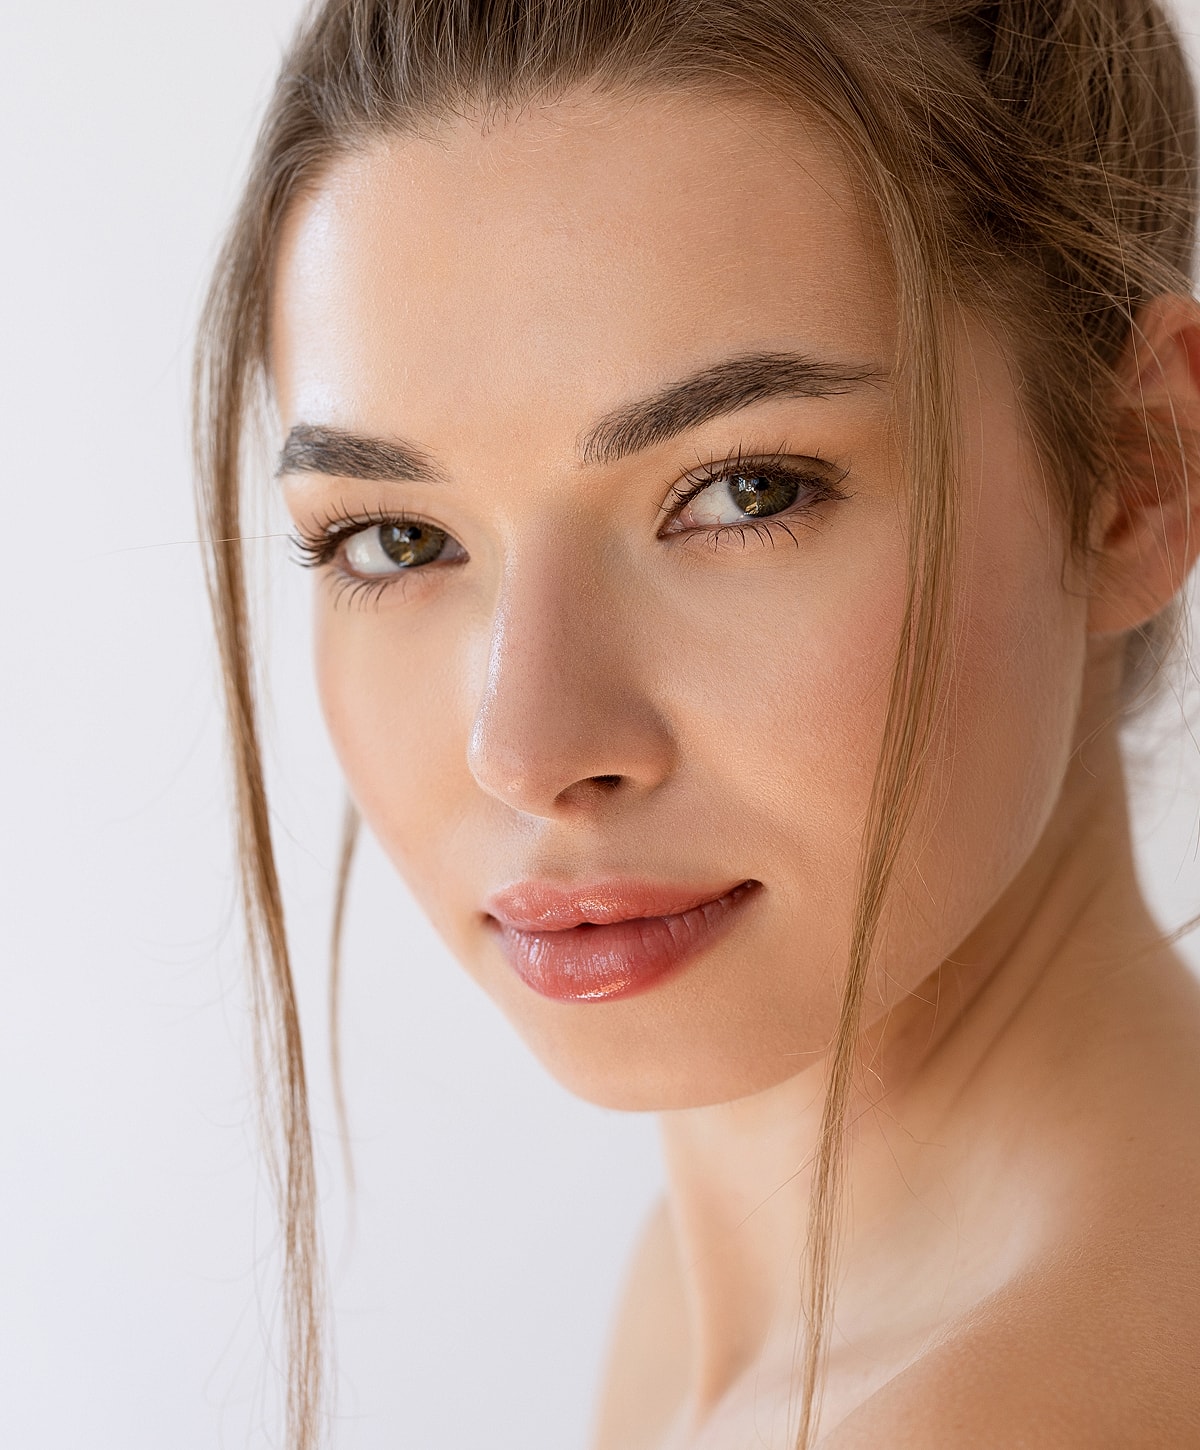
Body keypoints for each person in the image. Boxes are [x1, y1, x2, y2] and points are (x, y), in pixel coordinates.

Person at [193, 1, 1200, 1446]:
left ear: (1135, 477)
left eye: (743, 490)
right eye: (396, 541)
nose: (531, 744)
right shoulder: (703, 1307)